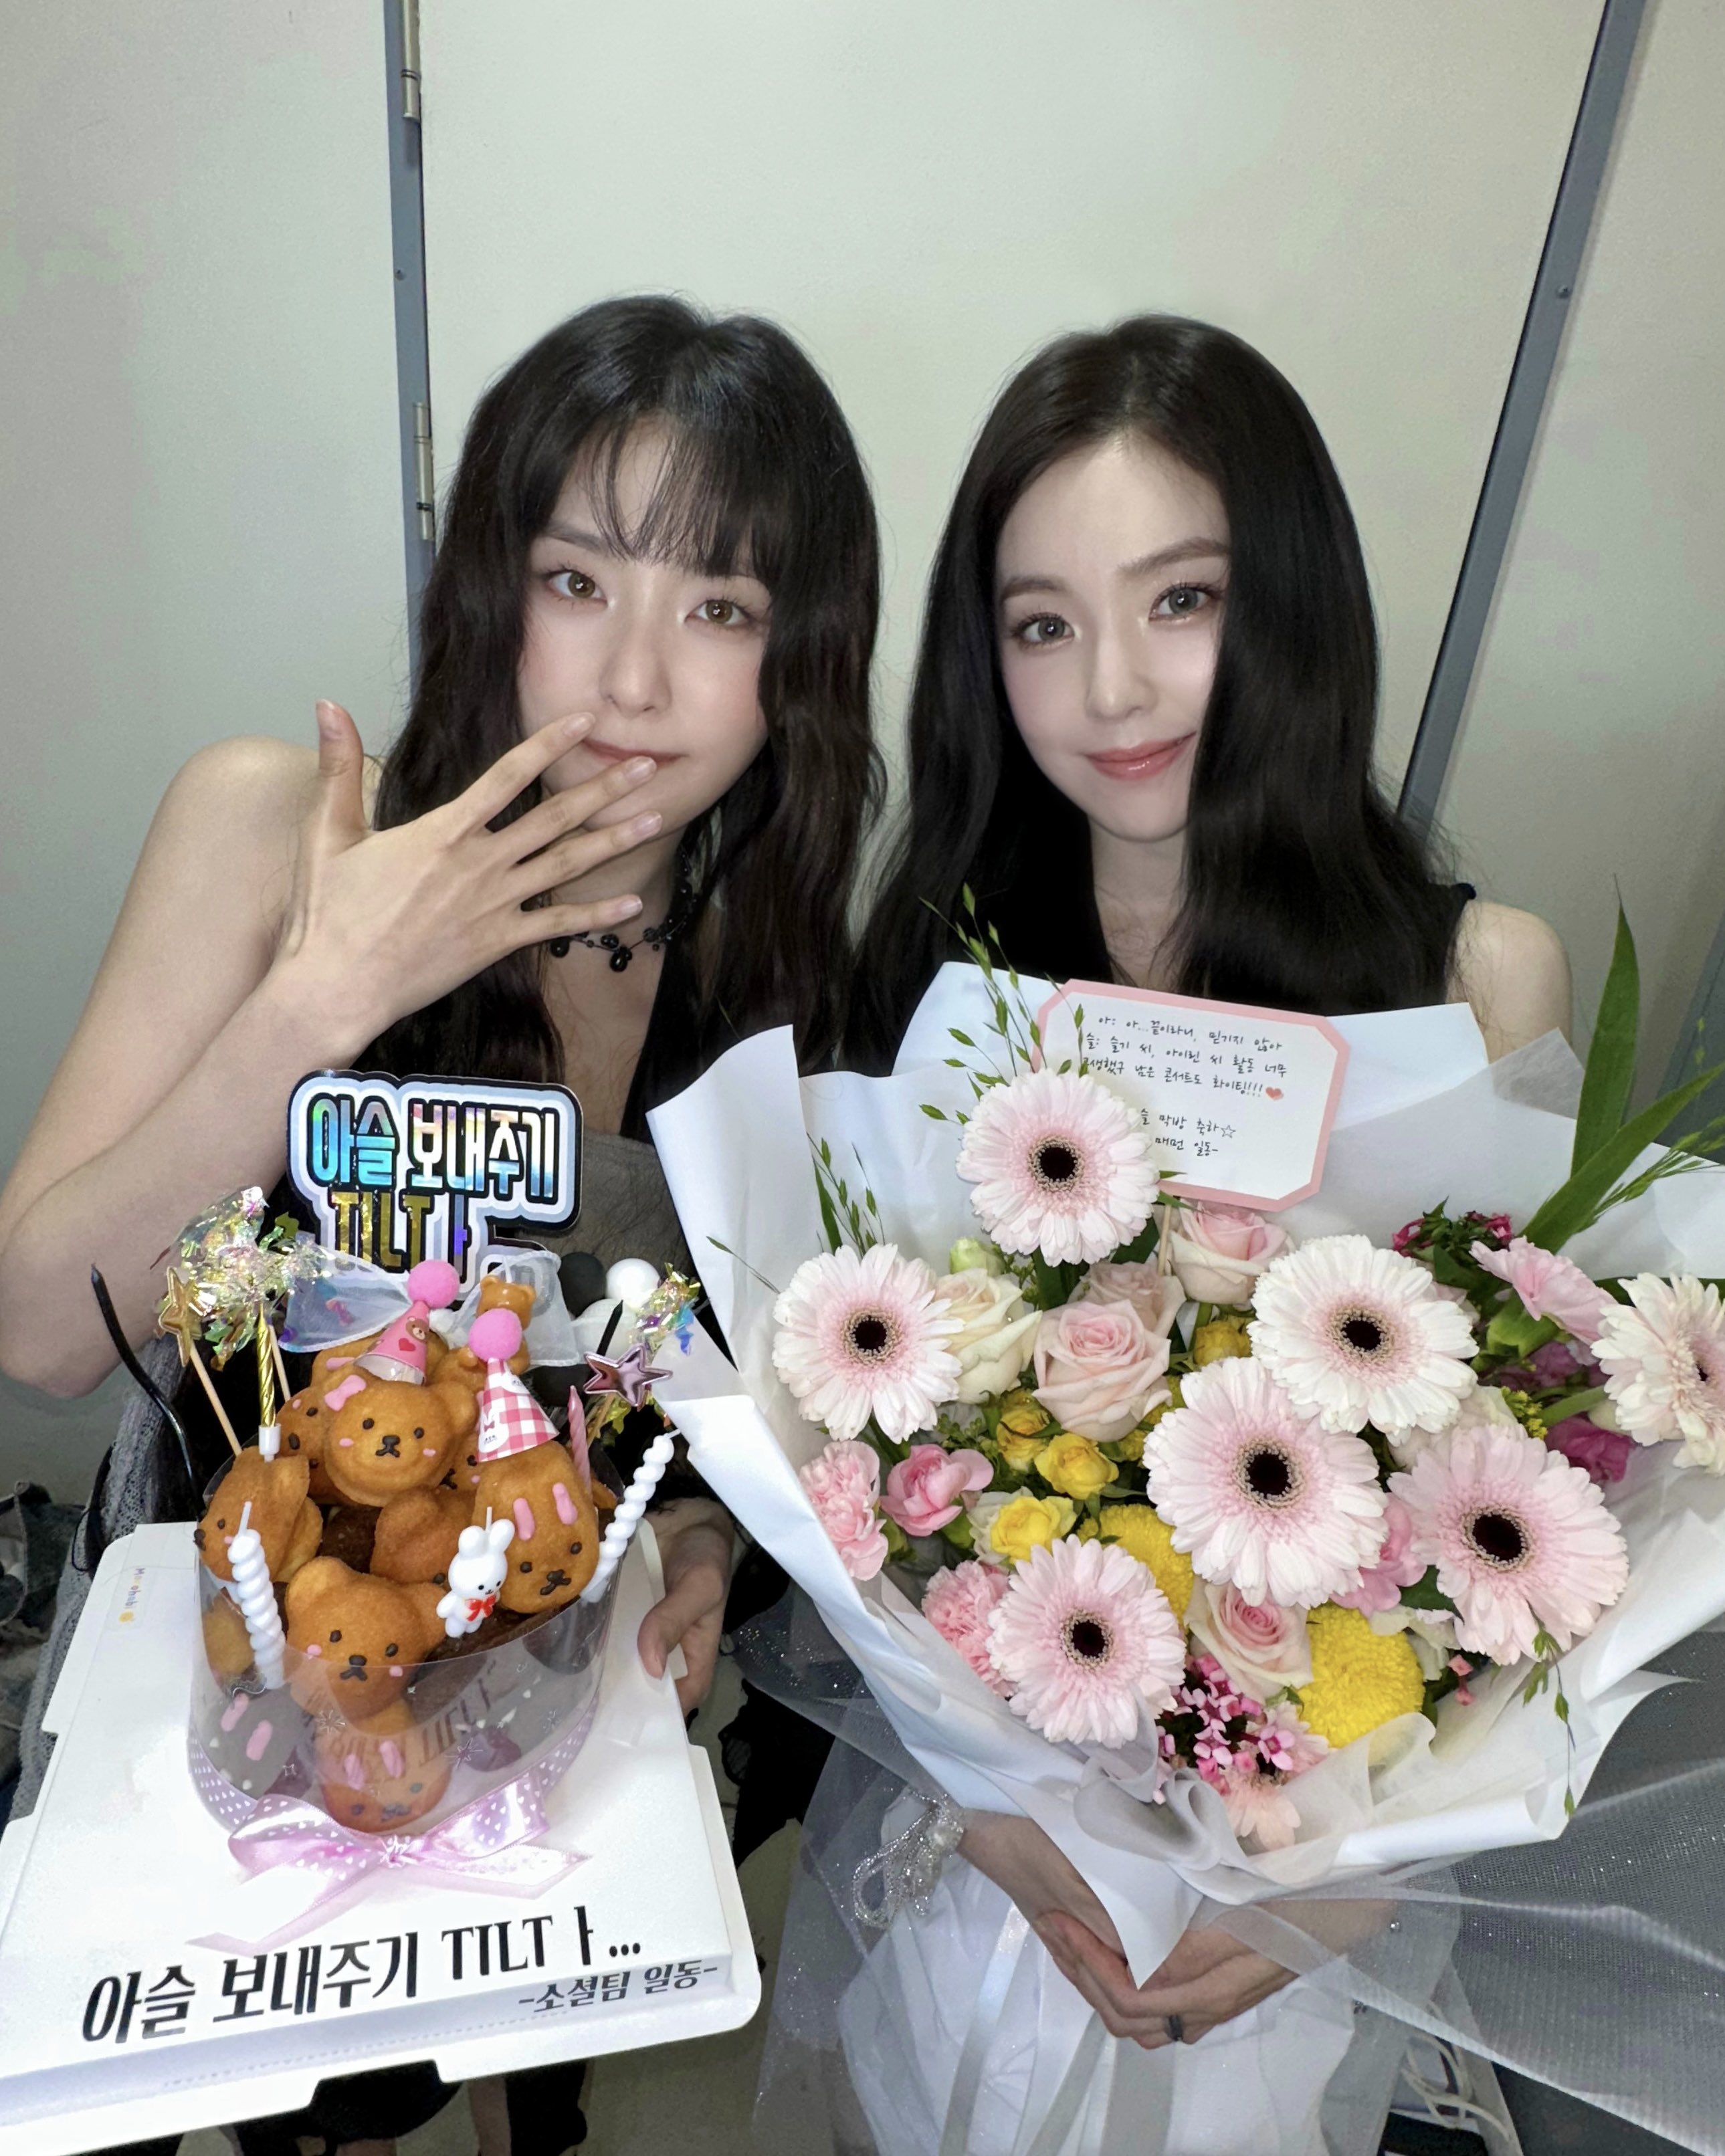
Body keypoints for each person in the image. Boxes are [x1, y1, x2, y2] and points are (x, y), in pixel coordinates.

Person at [0, 294, 880, 2156]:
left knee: (520, 2078)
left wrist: (703, 1540)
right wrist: (317, 1004)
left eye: (720, 611)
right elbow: (39, 1330)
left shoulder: (788, 969)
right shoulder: (276, 830)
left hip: (547, 1717)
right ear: (492, 587)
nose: (631, 680)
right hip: (251, 1673)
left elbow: (725, 1378)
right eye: (579, 580)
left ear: (798, 660)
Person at [817, 314, 1569, 2137]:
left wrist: (1349, 1887)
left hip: (1313, 1861)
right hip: (1000, 1858)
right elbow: (848, 1455)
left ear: (1293, 604)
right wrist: (987, 1805)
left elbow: (1541, 1482)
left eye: (1182, 601)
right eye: (1040, 625)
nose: (1112, 691)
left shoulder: (1473, 976)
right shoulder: (936, 975)